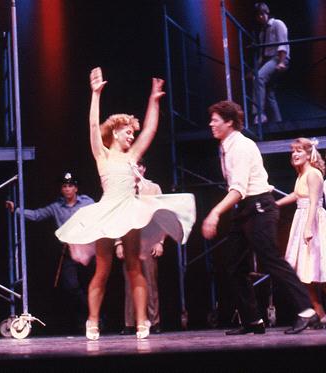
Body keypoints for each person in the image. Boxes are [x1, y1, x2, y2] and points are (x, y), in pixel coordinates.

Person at [55, 67, 196, 340]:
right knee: (103, 269)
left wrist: (154, 100)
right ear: (116, 132)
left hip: (129, 211)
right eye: (127, 131)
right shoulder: (103, 155)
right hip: (107, 211)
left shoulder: (133, 156)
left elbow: (151, 129)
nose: (132, 135)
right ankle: (92, 321)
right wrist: (95, 94)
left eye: (132, 132)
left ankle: (143, 321)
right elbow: (94, 127)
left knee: (134, 266)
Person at [201, 100, 318, 335]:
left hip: (258, 205)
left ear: (229, 122)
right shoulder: (226, 146)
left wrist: (214, 213)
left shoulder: (242, 146)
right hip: (246, 208)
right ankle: (252, 319)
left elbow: (239, 189)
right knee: (234, 265)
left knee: (271, 259)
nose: (211, 124)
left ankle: (306, 310)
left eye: (215, 120)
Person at [6, 172, 95, 332]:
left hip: (88, 249)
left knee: (91, 285)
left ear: (76, 188)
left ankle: (93, 318)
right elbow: (37, 215)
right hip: (68, 252)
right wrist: (16, 210)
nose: (67, 189)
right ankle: (88, 314)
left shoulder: (87, 202)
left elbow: (99, 215)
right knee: (71, 286)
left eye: (70, 186)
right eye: (64, 186)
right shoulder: (56, 207)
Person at [276, 138, 326, 325]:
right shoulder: (301, 175)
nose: (294, 154)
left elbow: (314, 202)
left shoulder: (313, 174)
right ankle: (320, 314)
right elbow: (297, 195)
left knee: (319, 270)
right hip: (301, 218)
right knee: (305, 272)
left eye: (299, 151)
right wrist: (275, 204)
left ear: (308, 154)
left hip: (313, 222)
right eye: (293, 151)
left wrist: (307, 227)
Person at [116, 159, 164, 335]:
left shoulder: (153, 189)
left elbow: (162, 216)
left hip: (148, 240)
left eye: (139, 167)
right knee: (130, 283)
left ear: (144, 169)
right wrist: (118, 243)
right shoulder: (121, 191)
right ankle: (130, 323)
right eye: (132, 167)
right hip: (129, 240)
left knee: (150, 283)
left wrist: (160, 242)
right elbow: (118, 217)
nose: (136, 170)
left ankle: (154, 321)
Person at [252, 2, 289, 124]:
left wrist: (282, 62)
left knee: (259, 78)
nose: (260, 17)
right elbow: (262, 56)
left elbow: (283, 44)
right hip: (269, 60)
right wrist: (254, 70)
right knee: (269, 92)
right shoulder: (263, 32)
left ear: (267, 13)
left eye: (262, 14)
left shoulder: (277, 24)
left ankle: (259, 114)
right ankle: (278, 122)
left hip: (278, 58)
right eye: (258, 16)